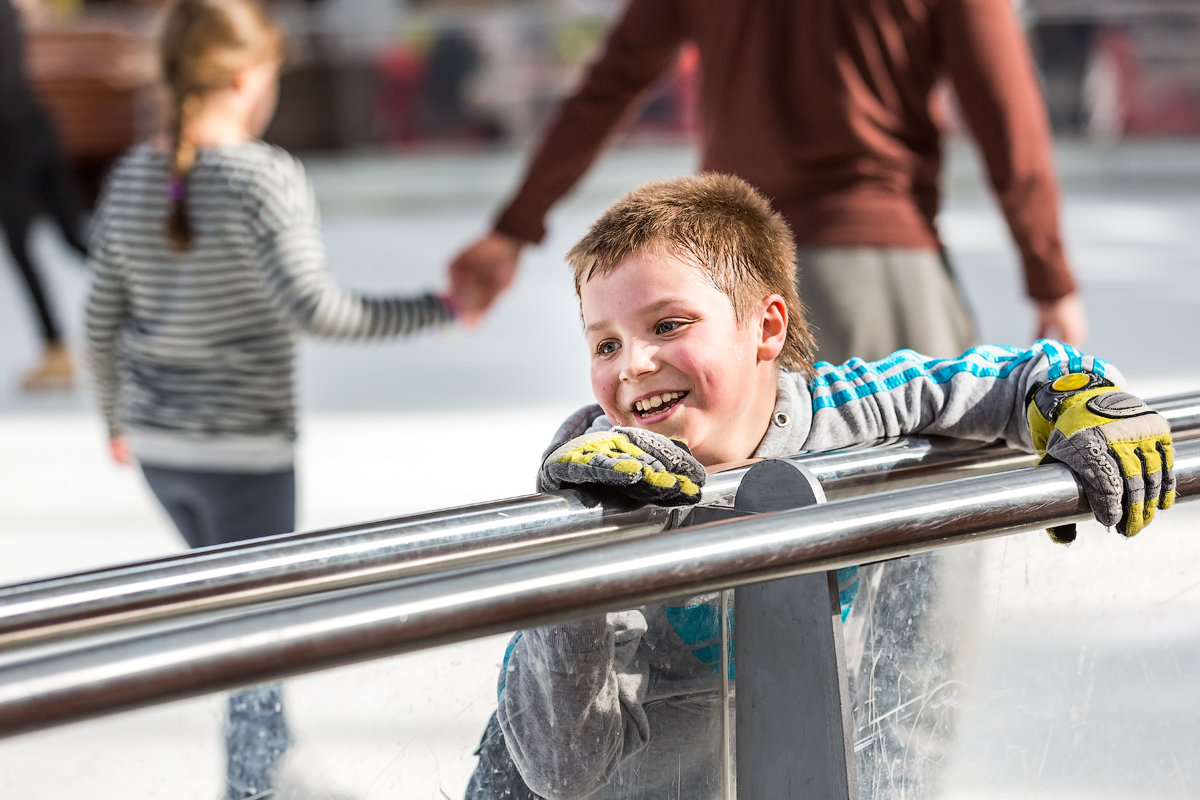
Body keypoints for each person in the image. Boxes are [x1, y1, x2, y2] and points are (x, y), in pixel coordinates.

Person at [463, 174, 1174, 800]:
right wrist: (583, 545)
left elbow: (993, 377)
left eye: (668, 325)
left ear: (765, 327)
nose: (634, 364)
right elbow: (563, 768)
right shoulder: (599, 477)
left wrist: (1076, 398)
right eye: (604, 343)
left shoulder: (836, 412)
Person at [82, 1, 455, 797]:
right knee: (257, 639)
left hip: (160, 450)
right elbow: (317, 311)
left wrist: (116, 419)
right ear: (250, 76)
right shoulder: (261, 175)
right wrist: (436, 310)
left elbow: (98, 317)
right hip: (244, 457)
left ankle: (274, 761)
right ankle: (251, 787)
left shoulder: (132, 174)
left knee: (236, 620)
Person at [447, 0, 1088, 362]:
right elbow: (1007, 116)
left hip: (736, 286)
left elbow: (608, 86)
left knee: (766, 565)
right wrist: (1050, 279)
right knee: (927, 565)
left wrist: (513, 230)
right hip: (879, 272)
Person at [1, 0, 91, 391]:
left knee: (22, 246)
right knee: (74, 238)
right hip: (35, 125)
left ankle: (56, 350)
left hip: (11, 138)